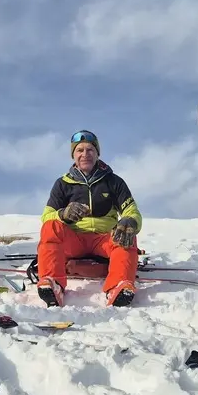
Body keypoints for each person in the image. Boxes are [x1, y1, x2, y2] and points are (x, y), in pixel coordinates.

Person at [36, 130, 143, 307]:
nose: (85, 154)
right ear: (73, 155)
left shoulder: (114, 182)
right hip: (74, 240)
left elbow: (131, 210)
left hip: (104, 239)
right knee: (51, 227)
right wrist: (63, 214)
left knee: (126, 233)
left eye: (90, 150)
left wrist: (129, 221)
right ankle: (53, 283)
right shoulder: (62, 184)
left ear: (97, 153)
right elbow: (47, 217)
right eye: (80, 150)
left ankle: (118, 286)